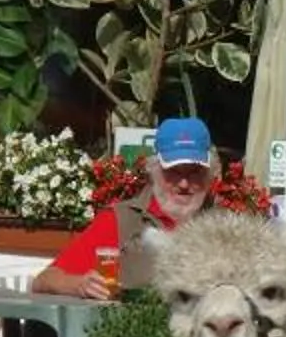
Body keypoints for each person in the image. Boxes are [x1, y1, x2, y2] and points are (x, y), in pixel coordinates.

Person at [33, 116, 222, 299]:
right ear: (154, 170)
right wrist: (80, 285)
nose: (183, 184)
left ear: (210, 174)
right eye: (173, 171)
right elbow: (43, 280)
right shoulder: (121, 219)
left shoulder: (225, 225)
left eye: (194, 172)